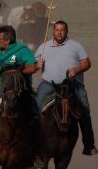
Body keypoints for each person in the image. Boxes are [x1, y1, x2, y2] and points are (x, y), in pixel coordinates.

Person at [35, 20, 96, 155]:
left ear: (66, 31)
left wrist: (77, 69)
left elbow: (87, 63)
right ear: (53, 31)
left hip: (72, 84)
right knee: (35, 108)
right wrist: (36, 65)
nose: (59, 32)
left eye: (62, 30)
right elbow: (32, 66)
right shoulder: (43, 47)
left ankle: (89, 144)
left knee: (84, 110)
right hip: (49, 84)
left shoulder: (76, 46)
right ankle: (32, 144)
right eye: (57, 30)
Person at [0, 25, 39, 128]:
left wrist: (19, 72)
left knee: (36, 112)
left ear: (7, 40)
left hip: (22, 88)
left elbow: (32, 67)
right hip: (5, 88)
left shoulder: (22, 50)